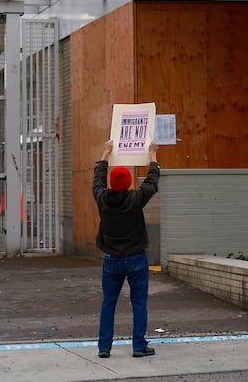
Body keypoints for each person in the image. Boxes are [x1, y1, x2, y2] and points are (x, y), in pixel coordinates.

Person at [93, 139, 160, 359]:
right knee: (139, 303)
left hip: (111, 259)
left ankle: (104, 347)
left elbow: (97, 179)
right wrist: (152, 155)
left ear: (112, 183)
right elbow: (152, 182)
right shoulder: (135, 199)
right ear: (129, 182)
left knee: (108, 303)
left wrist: (105, 153)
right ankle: (138, 346)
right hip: (136, 258)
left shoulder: (102, 198)